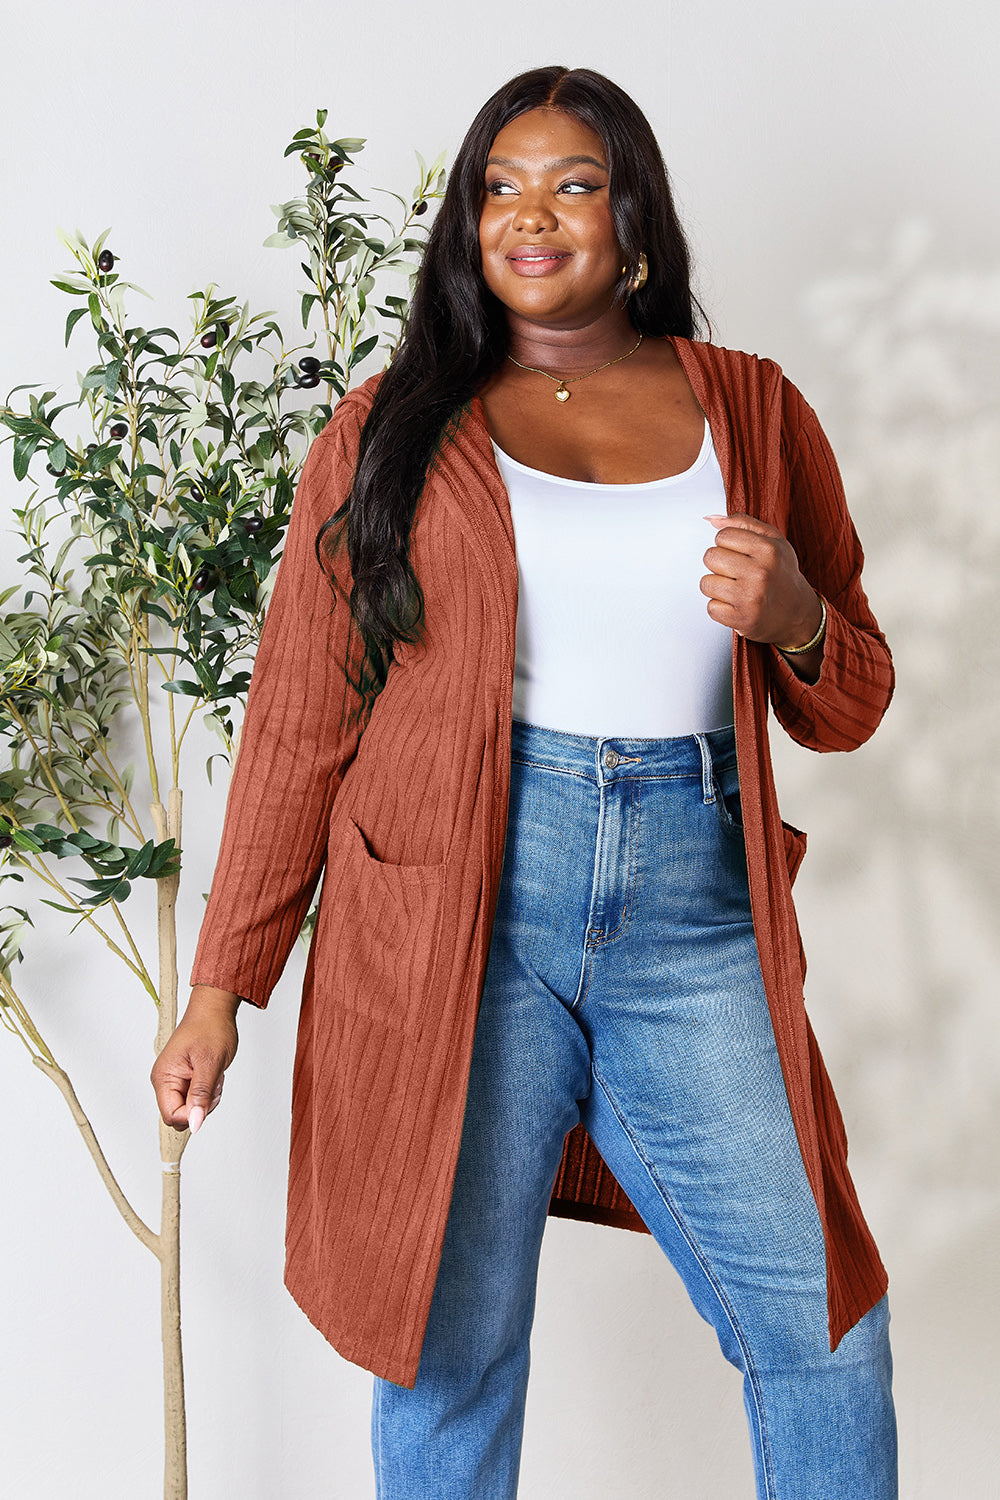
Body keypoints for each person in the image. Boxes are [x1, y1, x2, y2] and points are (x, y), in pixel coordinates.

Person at [152, 65, 898, 1499]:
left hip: (695, 921)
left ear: (632, 218)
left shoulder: (752, 411)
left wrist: (797, 615)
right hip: (451, 924)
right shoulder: (389, 431)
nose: (531, 214)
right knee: (448, 1346)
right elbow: (303, 721)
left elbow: (853, 695)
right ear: (465, 224)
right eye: (500, 185)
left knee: (820, 1329)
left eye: (572, 182)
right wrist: (217, 991)